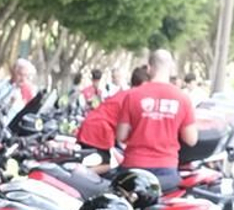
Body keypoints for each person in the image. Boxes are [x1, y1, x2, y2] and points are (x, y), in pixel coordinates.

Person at [78, 50, 198, 187]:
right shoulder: (183, 98)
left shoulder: (133, 95)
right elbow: (191, 139)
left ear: (149, 68)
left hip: (134, 165)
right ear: (171, 68)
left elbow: (121, 136)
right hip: (166, 168)